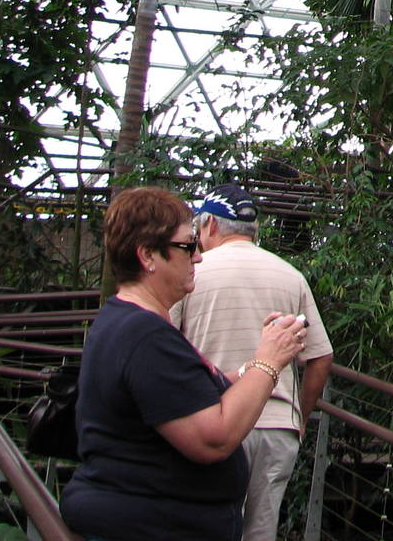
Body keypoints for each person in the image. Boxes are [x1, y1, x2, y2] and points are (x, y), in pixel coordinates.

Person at [61, 187, 308, 541]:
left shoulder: (128, 321)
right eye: (186, 246)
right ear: (148, 256)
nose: (198, 258)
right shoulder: (144, 335)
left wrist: (253, 363)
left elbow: (179, 398)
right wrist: (269, 362)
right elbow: (213, 439)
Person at [173, 183, 334, 541]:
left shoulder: (189, 273)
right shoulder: (291, 276)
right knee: (260, 532)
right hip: (277, 430)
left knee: (205, 526)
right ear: (254, 230)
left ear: (209, 226)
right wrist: (299, 418)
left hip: (213, 424)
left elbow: (162, 342)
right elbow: (320, 358)